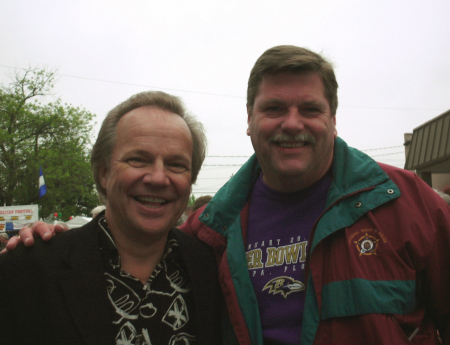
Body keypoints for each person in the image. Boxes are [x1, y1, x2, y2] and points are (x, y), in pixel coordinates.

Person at [7, 46, 450, 345]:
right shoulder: (211, 234)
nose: (291, 123)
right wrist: (55, 242)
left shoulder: (406, 204)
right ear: (249, 120)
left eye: (310, 109)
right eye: (273, 108)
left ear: (333, 119)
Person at [0, 91, 221, 345]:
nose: (159, 178)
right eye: (138, 160)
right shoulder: (25, 272)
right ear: (103, 172)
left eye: (176, 164)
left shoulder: (210, 270)